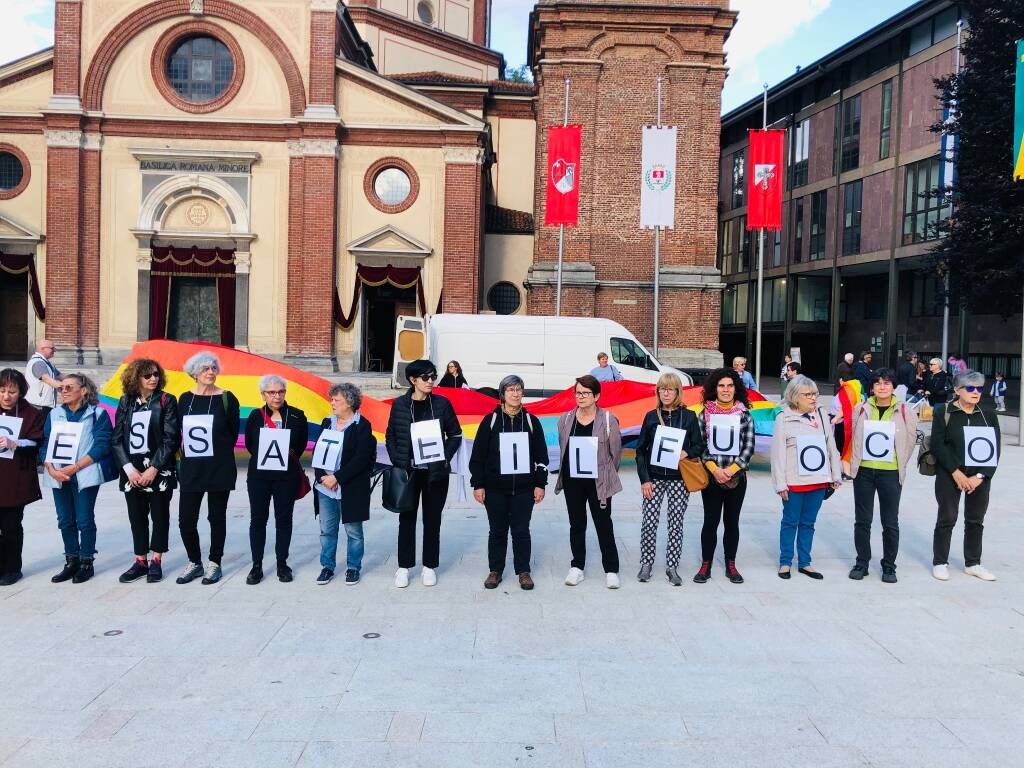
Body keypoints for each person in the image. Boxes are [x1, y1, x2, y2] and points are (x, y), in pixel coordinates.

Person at [385, 359, 463, 588]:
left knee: (432, 520)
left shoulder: (442, 404)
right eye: (426, 377)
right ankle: (404, 567)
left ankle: (429, 566)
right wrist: (397, 459)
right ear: (413, 380)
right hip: (407, 473)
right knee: (406, 519)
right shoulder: (400, 404)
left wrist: (444, 458)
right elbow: (390, 436)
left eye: (433, 377)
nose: (431, 381)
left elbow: (456, 435)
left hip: (434, 473)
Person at [469, 374, 548, 591]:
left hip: (524, 489)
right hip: (495, 489)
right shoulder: (491, 421)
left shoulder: (532, 422)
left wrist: (540, 484)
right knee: (497, 531)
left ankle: (523, 571)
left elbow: (542, 458)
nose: (515, 393)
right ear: (502, 394)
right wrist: (478, 484)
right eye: (510, 390)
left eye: (519, 389)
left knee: (522, 530)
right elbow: (478, 456)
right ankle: (495, 570)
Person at [844, 368, 918, 584]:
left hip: (890, 472)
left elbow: (911, 440)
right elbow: (854, 436)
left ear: (894, 386)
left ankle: (889, 566)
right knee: (862, 520)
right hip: (865, 471)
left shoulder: (905, 411)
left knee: (890, 522)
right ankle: (862, 562)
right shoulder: (861, 409)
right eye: (878, 383)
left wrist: (899, 463)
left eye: (887, 383)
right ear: (872, 387)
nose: (882, 387)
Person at [111, 359, 179, 584]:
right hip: (132, 471)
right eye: (147, 375)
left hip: (158, 470)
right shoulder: (126, 402)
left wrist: (154, 469)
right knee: (136, 517)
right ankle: (140, 560)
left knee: (160, 516)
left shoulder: (166, 400)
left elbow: (171, 439)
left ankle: (156, 560)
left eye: (156, 375)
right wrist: (129, 469)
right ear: (136, 378)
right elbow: (117, 439)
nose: (153, 379)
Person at [176, 351, 240, 586]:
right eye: (205, 369)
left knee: (216, 517)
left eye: (213, 368)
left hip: (219, 467)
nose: (211, 372)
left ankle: (215, 562)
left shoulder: (227, 398)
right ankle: (194, 561)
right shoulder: (184, 399)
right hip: (192, 468)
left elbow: (233, 433)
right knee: (186, 520)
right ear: (194, 373)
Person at [42, 373, 113, 584]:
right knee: (64, 520)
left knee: (84, 519)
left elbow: (102, 445)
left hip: (84, 474)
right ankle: (71, 561)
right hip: (57, 475)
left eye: (68, 387)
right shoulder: (54, 414)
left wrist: (75, 467)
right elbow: (45, 442)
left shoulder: (97, 414)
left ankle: (86, 562)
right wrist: (50, 467)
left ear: (83, 390)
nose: (63, 391)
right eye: (61, 388)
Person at [930, 370, 1000, 582]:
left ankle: (973, 563)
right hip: (950, 474)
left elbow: (995, 448)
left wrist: (981, 476)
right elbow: (938, 444)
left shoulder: (988, 414)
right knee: (947, 518)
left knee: (975, 520)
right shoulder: (944, 411)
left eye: (979, 388)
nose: (975, 392)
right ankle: (940, 562)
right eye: (970, 388)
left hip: (978, 477)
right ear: (957, 390)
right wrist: (955, 472)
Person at [634, 372, 703, 586]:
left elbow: (700, 445)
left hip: (678, 480)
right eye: (662, 389)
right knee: (649, 522)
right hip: (654, 478)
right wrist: (645, 479)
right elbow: (640, 451)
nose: (665, 392)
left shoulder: (689, 416)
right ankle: (646, 563)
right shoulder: (651, 416)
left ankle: (672, 566)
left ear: (677, 392)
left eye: (670, 389)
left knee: (676, 524)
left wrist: (687, 453)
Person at [555, 374, 623, 588]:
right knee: (576, 524)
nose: (581, 397)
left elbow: (616, 455)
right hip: (573, 480)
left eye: (586, 393)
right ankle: (577, 566)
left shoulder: (608, 419)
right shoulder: (566, 419)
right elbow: (563, 447)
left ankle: (611, 569)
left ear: (596, 396)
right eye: (578, 393)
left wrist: (605, 474)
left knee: (604, 524)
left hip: (598, 481)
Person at [770, 375, 842, 580]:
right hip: (794, 481)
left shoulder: (821, 413)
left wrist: (835, 474)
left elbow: (831, 446)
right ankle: (785, 562)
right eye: (807, 395)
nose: (813, 398)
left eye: (814, 394)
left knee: (809, 522)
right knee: (790, 521)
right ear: (794, 396)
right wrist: (780, 483)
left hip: (818, 479)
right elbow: (778, 454)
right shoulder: (783, 417)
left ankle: (805, 562)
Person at [244, 375, 308, 584]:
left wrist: (290, 453)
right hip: (259, 477)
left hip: (286, 478)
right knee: (258, 520)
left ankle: (282, 563)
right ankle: (257, 566)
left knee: (284, 520)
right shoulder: (255, 416)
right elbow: (250, 445)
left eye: (281, 391)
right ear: (263, 394)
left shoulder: (297, 416)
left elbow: (301, 444)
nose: (277, 396)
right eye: (272, 392)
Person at [695, 367, 755, 585]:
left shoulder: (745, 416)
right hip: (711, 478)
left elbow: (748, 448)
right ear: (714, 388)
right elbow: (701, 446)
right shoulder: (704, 414)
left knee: (732, 522)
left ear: (736, 388)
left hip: (736, 479)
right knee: (709, 522)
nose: (726, 390)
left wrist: (730, 471)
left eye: (730, 385)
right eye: (721, 385)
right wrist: (715, 471)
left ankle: (731, 563)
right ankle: (706, 564)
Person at [314, 383, 376, 586]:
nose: (332, 403)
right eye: (332, 399)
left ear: (349, 402)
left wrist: (337, 478)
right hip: (325, 487)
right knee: (327, 530)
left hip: (350, 487)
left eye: (336, 400)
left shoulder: (362, 426)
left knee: (353, 531)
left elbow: (361, 459)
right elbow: (318, 452)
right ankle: (327, 566)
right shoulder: (327, 422)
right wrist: (323, 477)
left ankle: (353, 567)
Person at [0, 368, 44, 586]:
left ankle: (12, 568)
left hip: (15, 477)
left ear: (21, 392)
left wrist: (15, 443)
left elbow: (37, 442)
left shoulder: (31, 414)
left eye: (12, 391)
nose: (6, 396)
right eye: (2, 391)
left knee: (10, 526)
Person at [24, 339, 62, 418]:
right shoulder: (38, 363)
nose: (54, 350)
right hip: (38, 406)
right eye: (52, 348)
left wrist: (76, 380)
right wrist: (64, 387)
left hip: (45, 405)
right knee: (40, 428)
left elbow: (59, 376)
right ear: (43, 348)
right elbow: (46, 379)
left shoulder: (47, 363)